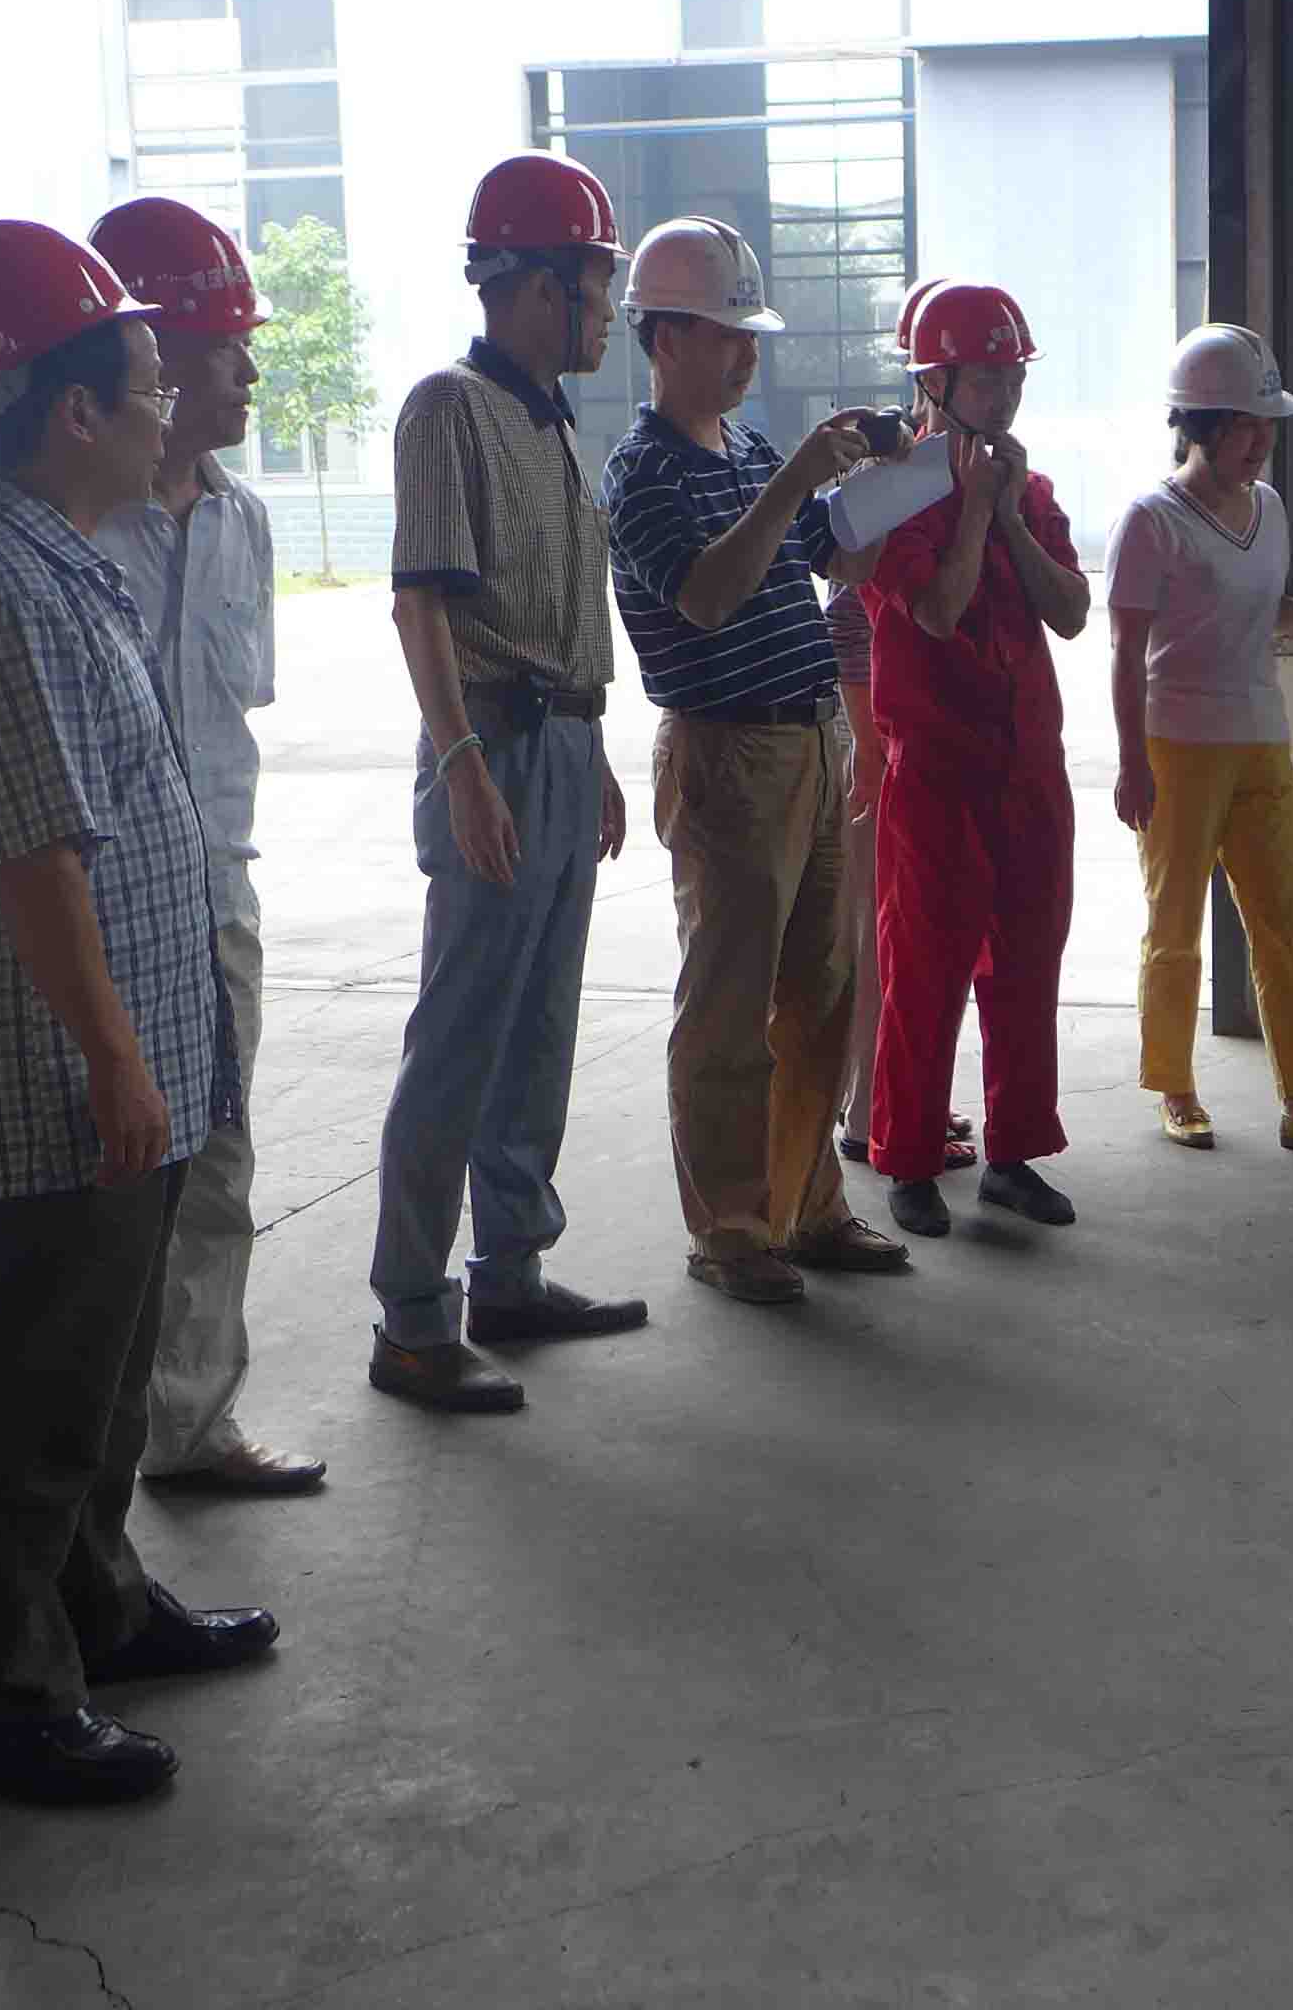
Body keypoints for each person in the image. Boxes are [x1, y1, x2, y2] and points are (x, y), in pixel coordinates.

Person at [0, 218, 277, 1806]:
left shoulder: (64, 560)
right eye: (147, 388)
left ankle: (100, 1611)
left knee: (103, 1377)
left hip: (135, 1054)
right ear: (72, 413)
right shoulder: (0, 591)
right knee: (30, 1394)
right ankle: (11, 1701)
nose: (171, 410)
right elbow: (37, 862)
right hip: (61, 1077)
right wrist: (116, 1060)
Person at [366, 152, 645, 1415]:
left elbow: (561, 611)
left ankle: (512, 1274)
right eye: (598, 282)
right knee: (462, 1036)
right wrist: (463, 763)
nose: (607, 310)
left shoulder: (553, 420)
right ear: (537, 285)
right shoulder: (450, 409)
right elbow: (421, 604)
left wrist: (593, 750)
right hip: (489, 746)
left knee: (538, 1028)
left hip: (562, 747)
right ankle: (412, 1317)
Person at [602, 215, 911, 1305]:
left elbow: (841, 560)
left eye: (748, 335)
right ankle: (730, 1230)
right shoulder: (640, 472)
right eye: (727, 333)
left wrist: (896, 479)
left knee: (820, 994)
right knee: (729, 1007)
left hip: (811, 737)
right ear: (664, 337)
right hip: (726, 752)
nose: (745, 354)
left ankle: (803, 1206)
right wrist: (795, 486)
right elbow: (707, 596)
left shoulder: (749, 448)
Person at [83, 197, 323, 1495]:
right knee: (85, 1195)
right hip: (94, 909)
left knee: (216, 1167)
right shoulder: (70, 533)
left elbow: (236, 710)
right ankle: (70, 1453)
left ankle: (190, 1427)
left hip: (216, 895)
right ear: (154, 357)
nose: (248, 374)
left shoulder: (243, 522)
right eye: (228, 348)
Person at [855, 281, 1092, 1236]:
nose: (1006, 397)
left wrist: (1008, 518)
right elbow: (939, 612)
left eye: (1013, 377)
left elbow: (1071, 613)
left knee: (1029, 963)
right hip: (936, 772)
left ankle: (1015, 1155)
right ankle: (908, 1160)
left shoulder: (1030, 493)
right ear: (934, 381)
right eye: (988, 380)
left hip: (1030, 766)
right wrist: (972, 511)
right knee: (924, 971)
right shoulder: (888, 497)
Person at [1103, 323, 1293, 1155]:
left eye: (1266, 427)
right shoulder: (1150, 520)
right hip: (1176, 745)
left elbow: (1260, 617)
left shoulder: (1270, 508)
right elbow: (1126, 652)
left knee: (1282, 925)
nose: (1261, 443)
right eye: (1246, 427)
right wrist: (1130, 763)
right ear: (1200, 425)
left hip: (1262, 737)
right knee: (1175, 926)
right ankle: (1175, 1089)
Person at [827, 279, 972, 1179]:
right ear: (931, 383)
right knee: (884, 944)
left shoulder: (965, 472)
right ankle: (865, 1115)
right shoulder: (900, 477)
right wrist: (872, 748)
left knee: (924, 944)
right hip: (885, 748)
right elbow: (846, 617)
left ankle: (902, 1100)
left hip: (933, 747)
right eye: (979, 375)